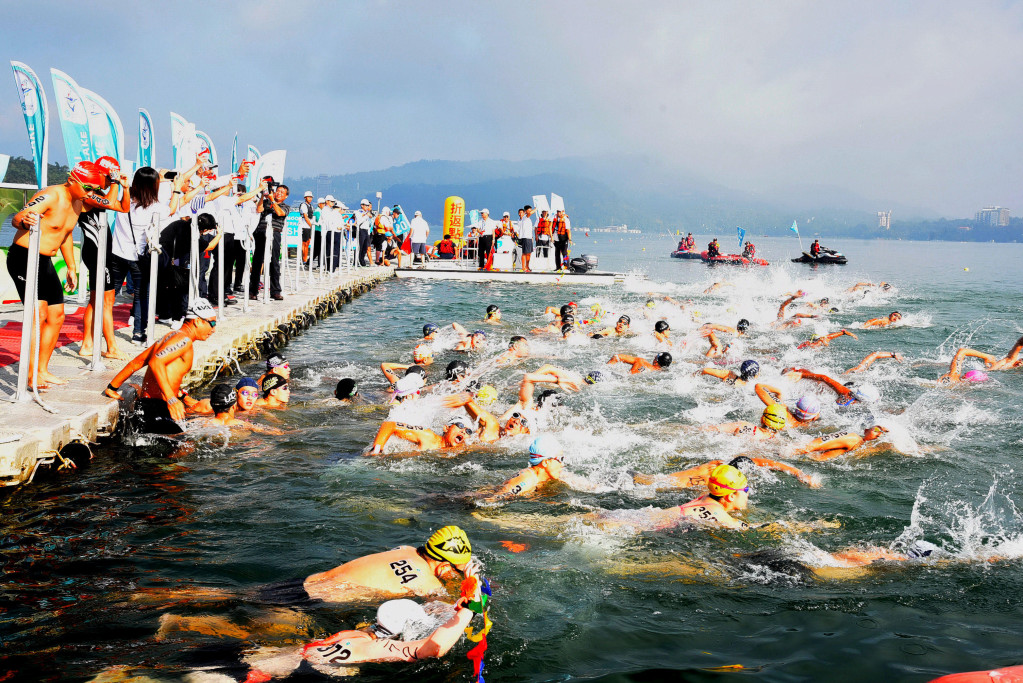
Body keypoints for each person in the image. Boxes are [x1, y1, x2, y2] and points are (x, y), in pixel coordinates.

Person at [7, 162, 102, 386]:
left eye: (94, 190)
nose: (91, 194)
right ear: (72, 180)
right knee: (38, 313)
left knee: (57, 316)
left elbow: (66, 234)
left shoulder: (78, 202)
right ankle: (30, 375)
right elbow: (18, 217)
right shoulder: (51, 195)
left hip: (46, 261)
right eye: (88, 188)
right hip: (25, 257)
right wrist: (24, 220)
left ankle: (42, 370)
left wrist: (71, 266)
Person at [103, 298, 218, 434]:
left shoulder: (170, 337)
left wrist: (112, 387)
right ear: (198, 321)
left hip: (147, 407)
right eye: (212, 323)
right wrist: (171, 399)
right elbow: (156, 362)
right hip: (156, 409)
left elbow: (137, 362)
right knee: (186, 448)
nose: (214, 329)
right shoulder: (184, 340)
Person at [302, 526, 473, 602]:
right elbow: (448, 611)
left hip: (304, 582)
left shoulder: (406, 549)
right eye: (457, 569)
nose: (457, 574)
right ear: (444, 566)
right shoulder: (427, 583)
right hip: (310, 604)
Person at [77, 158, 131, 360]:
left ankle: (87, 345)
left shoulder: (99, 193)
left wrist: (124, 188)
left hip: (102, 252)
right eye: (109, 177)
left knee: (95, 301)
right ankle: (112, 347)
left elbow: (123, 208)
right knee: (107, 302)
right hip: (96, 253)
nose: (111, 181)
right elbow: (109, 203)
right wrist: (115, 183)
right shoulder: (87, 194)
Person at [486, 435, 597, 498]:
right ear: (545, 462)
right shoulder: (527, 480)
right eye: (560, 459)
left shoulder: (553, 474)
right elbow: (493, 499)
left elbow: (587, 485)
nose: (563, 464)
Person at [633, 455, 818, 489]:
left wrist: (799, 473)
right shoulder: (709, 480)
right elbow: (668, 484)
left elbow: (767, 462)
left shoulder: (719, 464)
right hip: (637, 481)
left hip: (640, 475)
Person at [248, 182, 290, 301]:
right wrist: (263, 196)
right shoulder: (266, 202)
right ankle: (253, 290)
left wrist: (273, 201)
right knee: (257, 261)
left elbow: (280, 213)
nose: (279, 193)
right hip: (261, 232)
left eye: (282, 192)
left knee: (274, 261)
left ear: (286, 196)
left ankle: (275, 291)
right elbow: (259, 209)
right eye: (278, 191)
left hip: (275, 233)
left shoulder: (286, 206)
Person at [368, 417, 475, 454]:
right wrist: (376, 450)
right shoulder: (427, 436)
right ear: (446, 428)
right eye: (460, 425)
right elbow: (389, 425)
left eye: (468, 431)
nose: (464, 431)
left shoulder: (463, 449)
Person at [939, 335, 1023, 383]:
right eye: (1021, 361)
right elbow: (1019, 343)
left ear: (964, 375)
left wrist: (985, 356)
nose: (1020, 364)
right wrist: (987, 356)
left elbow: (962, 351)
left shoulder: (953, 376)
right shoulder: (1008, 361)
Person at [783, 367, 880, 406]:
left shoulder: (848, 395)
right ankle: (795, 371)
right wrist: (802, 375)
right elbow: (824, 378)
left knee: (819, 386)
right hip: (830, 396)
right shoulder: (846, 393)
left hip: (833, 398)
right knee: (818, 385)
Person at [793, 425, 889, 461]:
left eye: (883, 433)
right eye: (877, 429)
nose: (879, 434)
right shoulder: (853, 438)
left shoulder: (864, 446)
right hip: (797, 456)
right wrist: (788, 452)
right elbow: (811, 445)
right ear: (866, 430)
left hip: (807, 461)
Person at [754, 381, 821, 427]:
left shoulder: (783, 412)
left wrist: (778, 391)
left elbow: (759, 387)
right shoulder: (809, 426)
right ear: (815, 417)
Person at [352, 199, 375, 267]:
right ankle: (356, 261)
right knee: (360, 246)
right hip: (361, 230)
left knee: (365, 247)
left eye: (368, 205)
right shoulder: (358, 212)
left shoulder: (368, 213)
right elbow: (359, 221)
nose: (367, 207)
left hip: (366, 231)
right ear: (362, 205)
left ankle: (362, 260)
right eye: (366, 205)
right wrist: (366, 216)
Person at [608, 352, 672, 374]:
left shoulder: (641, 362)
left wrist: (607, 368)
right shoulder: (663, 373)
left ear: (656, 360)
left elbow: (617, 357)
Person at [299, 190, 315, 263]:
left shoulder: (311, 206)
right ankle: (304, 258)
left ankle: (305, 257)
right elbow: (305, 216)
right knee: (304, 242)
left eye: (311, 197)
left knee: (308, 242)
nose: (310, 199)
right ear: (305, 198)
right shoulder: (303, 205)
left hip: (309, 226)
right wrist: (311, 225)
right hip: (305, 226)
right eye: (309, 197)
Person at [518, 205, 534, 271]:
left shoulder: (528, 219)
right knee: (524, 253)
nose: (530, 211)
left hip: (529, 237)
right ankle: (523, 267)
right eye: (529, 210)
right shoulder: (525, 217)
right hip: (525, 237)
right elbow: (530, 213)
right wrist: (536, 208)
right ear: (526, 211)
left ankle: (527, 266)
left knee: (529, 253)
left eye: (531, 210)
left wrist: (532, 237)